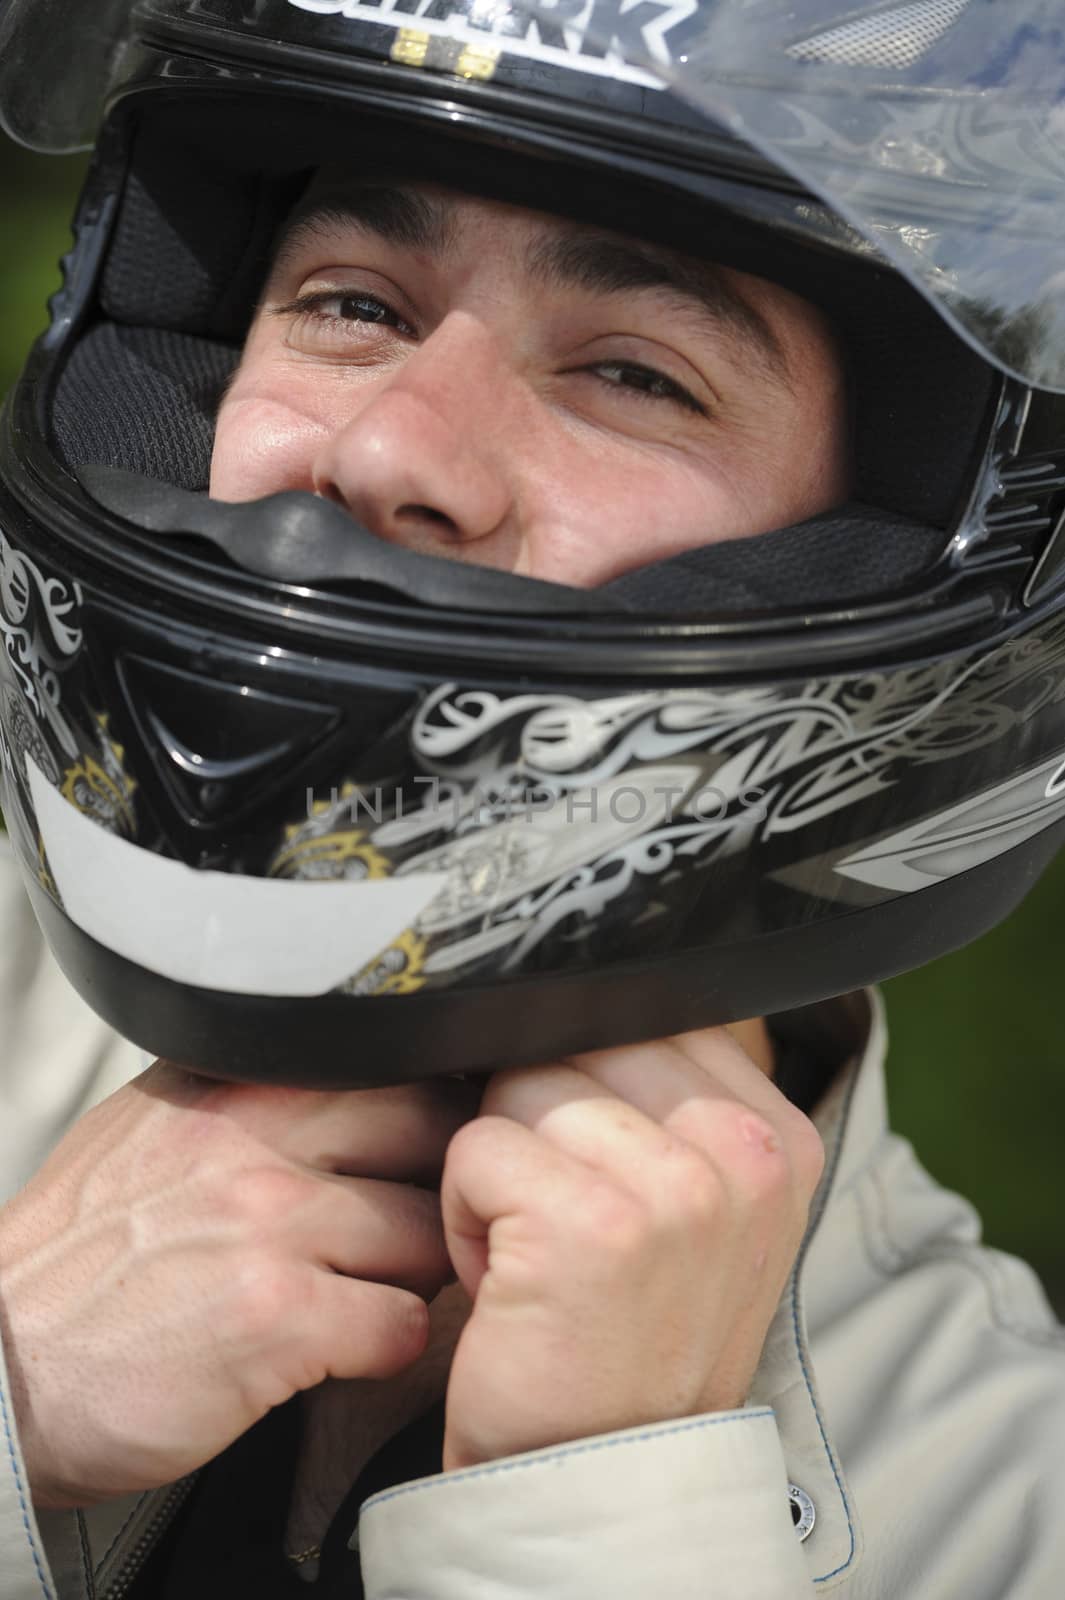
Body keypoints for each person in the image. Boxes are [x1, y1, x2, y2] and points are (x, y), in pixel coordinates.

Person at [1, 2, 1065, 1596]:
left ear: (903, 536)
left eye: (632, 374)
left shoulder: (1008, 1511)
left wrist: (605, 1530)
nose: (385, 446)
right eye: (352, 303)